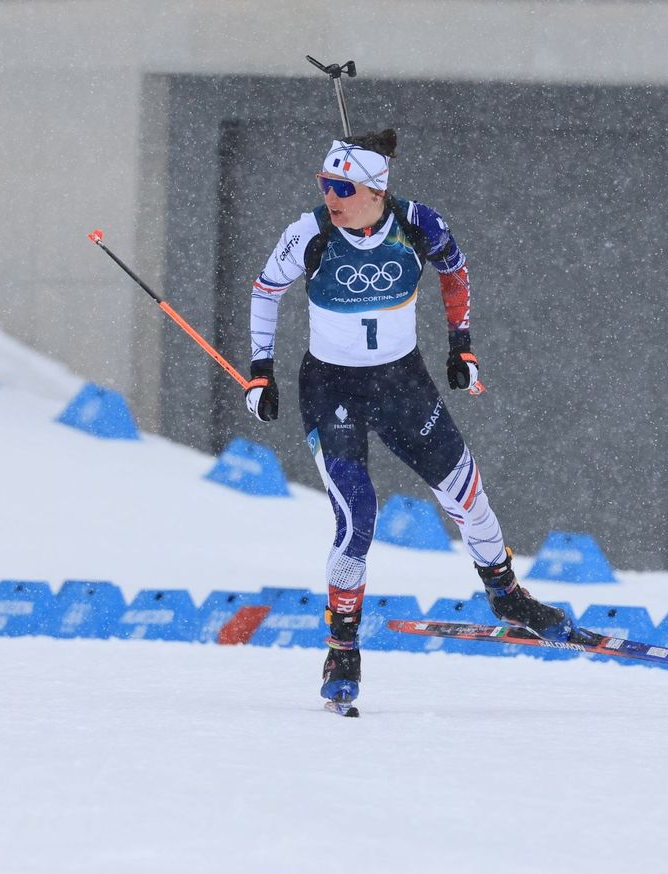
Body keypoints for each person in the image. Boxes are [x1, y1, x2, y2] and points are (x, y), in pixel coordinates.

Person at [244, 127, 575, 705]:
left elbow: (455, 271)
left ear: (375, 190)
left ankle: (506, 595)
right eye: (324, 184)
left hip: (402, 384)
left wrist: (461, 346)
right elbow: (266, 290)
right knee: (358, 517)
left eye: (341, 187)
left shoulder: (418, 224)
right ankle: (342, 647)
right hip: (332, 389)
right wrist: (260, 371)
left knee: (467, 495)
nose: (329, 196)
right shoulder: (309, 234)